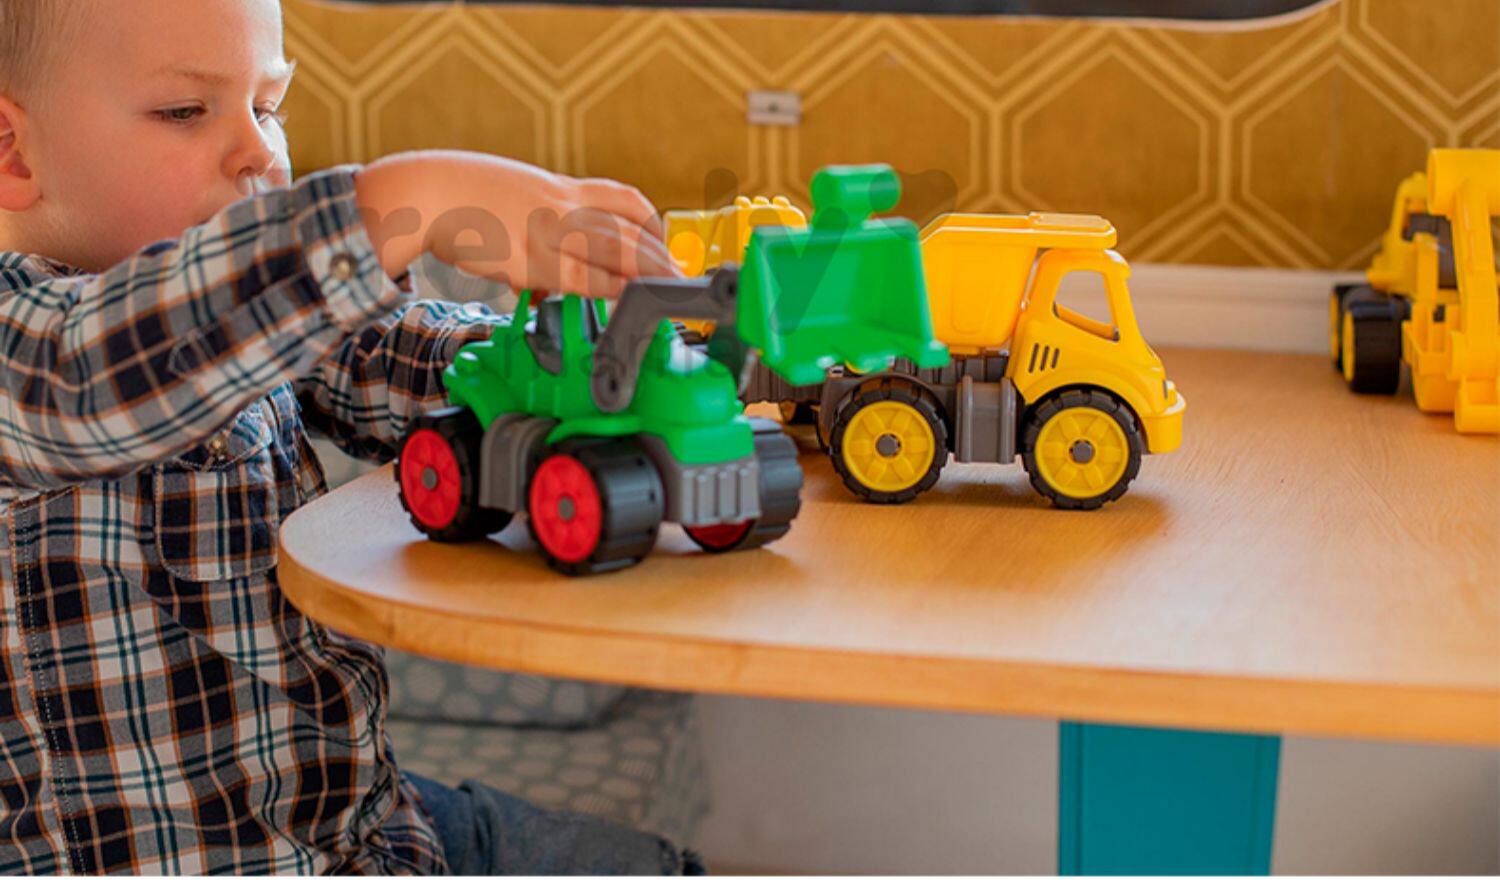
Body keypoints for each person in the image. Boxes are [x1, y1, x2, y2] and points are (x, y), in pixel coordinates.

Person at [0, 0, 703, 873]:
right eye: (185, 110)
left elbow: (381, 348)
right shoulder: (37, 356)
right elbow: (98, 372)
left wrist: (564, 360)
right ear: (11, 150)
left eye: (268, 106)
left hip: (363, 821)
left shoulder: (251, 317)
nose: (258, 150)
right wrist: (416, 200)